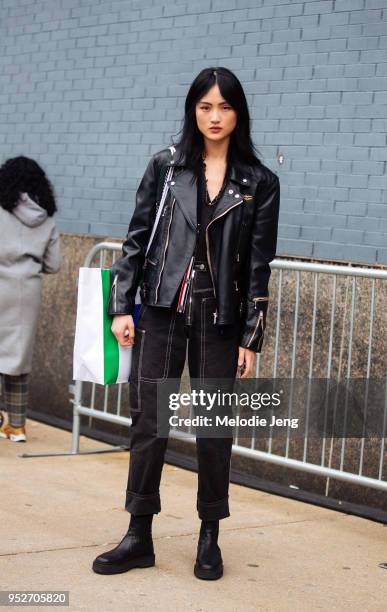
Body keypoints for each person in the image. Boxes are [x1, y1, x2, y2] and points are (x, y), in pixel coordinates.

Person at [92, 67, 280, 579]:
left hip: (220, 320)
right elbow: (136, 241)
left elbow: (259, 264)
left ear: (238, 112)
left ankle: (210, 537)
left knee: (213, 432)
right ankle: (138, 535)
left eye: (224, 107)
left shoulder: (260, 182)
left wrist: (251, 336)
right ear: (192, 111)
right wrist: (119, 308)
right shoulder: (166, 167)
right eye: (204, 106)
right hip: (160, 310)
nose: (214, 117)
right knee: (149, 425)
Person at [0, 156, 61, 442]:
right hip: (27, 293)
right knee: (18, 358)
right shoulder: (46, 218)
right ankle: (17, 426)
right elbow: (55, 264)